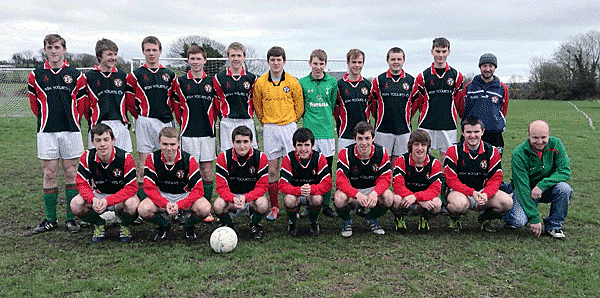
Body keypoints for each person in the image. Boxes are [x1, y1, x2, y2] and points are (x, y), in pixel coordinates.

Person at [28, 34, 87, 234]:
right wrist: (48, 119)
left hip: (71, 130)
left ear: (64, 49)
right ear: (45, 49)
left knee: (71, 172)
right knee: (49, 173)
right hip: (46, 131)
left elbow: (82, 103)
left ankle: (71, 218)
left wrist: (72, 120)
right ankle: (50, 219)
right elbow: (35, 106)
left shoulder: (75, 74)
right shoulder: (35, 75)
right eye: (50, 47)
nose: (54, 51)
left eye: (57, 47)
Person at [253, 46, 304, 222]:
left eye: (279, 59)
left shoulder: (292, 82)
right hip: (270, 128)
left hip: (289, 127)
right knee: (272, 169)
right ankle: (274, 206)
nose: (276, 63)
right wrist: (267, 122)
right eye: (272, 60)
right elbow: (257, 107)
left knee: (293, 168)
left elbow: (299, 107)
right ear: (268, 61)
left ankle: (294, 204)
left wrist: (289, 121)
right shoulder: (260, 83)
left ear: (284, 61)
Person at [137, 127, 211, 241]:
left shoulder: (188, 159)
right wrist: (165, 203)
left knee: (205, 208)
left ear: (178, 143)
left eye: (172, 144)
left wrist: (180, 204)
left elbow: (198, 190)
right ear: (159, 143)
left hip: (183, 194)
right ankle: (164, 225)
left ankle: (188, 225)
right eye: (165, 144)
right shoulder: (152, 158)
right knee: (143, 209)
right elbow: (149, 188)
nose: (169, 148)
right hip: (163, 195)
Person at [125, 36, 176, 199]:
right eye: (148, 50)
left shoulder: (169, 75)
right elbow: (129, 102)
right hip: (145, 122)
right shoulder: (135, 75)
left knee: (168, 163)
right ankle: (143, 201)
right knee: (144, 165)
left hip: (165, 123)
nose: (151, 53)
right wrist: (140, 117)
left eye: (154, 50)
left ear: (160, 51)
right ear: (143, 52)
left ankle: (168, 199)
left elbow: (174, 101)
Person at [503, 120, 572, 239]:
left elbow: (565, 171)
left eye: (544, 137)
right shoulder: (519, 154)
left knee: (564, 188)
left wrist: (541, 185)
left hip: (545, 189)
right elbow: (523, 188)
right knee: (518, 222)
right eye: (535, 137)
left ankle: (554, 226)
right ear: (528, 135)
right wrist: (534, 218)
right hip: (526, 190)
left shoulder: (556, 144)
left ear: (549, 134)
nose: (540, 142)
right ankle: (507, 203)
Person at [171, 44, 217, 222]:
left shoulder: (212, 82)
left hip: (207, 133)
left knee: (206, 171)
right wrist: (182, 123)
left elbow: (218, 106)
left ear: (205, 60)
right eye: (192, 58)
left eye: (199, 58)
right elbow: (176, 107)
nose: (196, 62)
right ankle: (186, 207)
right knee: (189, 171)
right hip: (188, 133)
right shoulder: (180, 82)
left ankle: (206, 208)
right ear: (188, 60)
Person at [70, 124, 139, 242]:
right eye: (98, 140)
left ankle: (124, 225)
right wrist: (93, 199)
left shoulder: (125, 157)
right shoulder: (87, 157)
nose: (102, 144)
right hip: (99, 194)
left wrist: (109, 201)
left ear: (113, 140)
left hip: (121, 198)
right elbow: (82, 183)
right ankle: (100, 223)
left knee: (132, 204)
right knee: (76, 204)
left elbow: (131, 188)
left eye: (106, 140)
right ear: (92, 142)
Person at [444, 117, 512, 232]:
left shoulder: (492, 151)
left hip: (482, 193)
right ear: (462, 133)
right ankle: (455, 219)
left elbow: (496, 178)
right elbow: (451, 181)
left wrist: (486, 194)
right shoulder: (453, 150)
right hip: (460, 193)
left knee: (507, 202)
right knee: (458, 205)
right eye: (468, 132)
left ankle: (485, 218)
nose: (472, 135)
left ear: (482, 132)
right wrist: (471, 193)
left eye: (476, 132)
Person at [334, 121, 393, 237]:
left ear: (373, 138)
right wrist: (357, 194)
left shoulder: (381, 152)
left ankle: (371, 218)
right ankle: (346, 220)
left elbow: (385, 178)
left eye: (367, 138)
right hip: (353, 191)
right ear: (354, 139)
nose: (364, 143)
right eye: (360, 138)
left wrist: (375, 193)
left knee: (389, 197)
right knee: (339, 198)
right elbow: (341, 181)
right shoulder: (345, 153)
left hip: (372, 190)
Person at [410, 37, 464, 164]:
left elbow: (458, 101)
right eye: (438, 51)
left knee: (446, 158)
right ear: (432, 51)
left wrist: (462, 120)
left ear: (449, 52)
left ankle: (442, 183)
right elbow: (420, 102)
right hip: (427, 123)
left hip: (448, 123)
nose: (440, 55)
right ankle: (425, 183)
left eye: (443, 51)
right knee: (422, 156)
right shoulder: (423, 76)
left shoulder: (456, 76)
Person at [298, 49, 338, 218]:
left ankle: (326, 204)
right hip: (310, 133)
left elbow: (333, 103)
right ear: (309, 63)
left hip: (327, 132)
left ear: (325, 65)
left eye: (321, 64)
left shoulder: (333, 83)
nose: (318, 67)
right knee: (310, 170)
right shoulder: (302, 82)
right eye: (315, 63)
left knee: (327, 170)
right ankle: (309, 204)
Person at [213, 126, 269, 239]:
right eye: (238, 142)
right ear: (232, 142)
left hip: (251, 199)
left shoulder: (260, 157)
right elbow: (221, 187)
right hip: (232, 199)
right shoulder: (223, 157)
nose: (242, 146)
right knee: (218, 205)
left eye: (245, 142)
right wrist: (232, 198)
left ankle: (255, 224)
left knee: (263, 203)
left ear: (251, 142)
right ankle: (228, 225)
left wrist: (246, 197)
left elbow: (262, 187)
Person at [279, 128, 332, 236]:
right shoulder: (288, 158)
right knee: (289, 199)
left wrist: (312, 189)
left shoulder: (319, 158)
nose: (303, 149)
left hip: (311, 194)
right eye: (299, 145)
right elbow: (282, 185)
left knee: (317, 198)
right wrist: (299, 190)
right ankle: (292, 222)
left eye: (307, 145)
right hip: (295, 194)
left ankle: (313, 221)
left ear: (312, 145)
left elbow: (327, 183)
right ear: (294, 146)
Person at [84, 38, 132, 153]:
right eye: (109, 54)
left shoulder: (122, 76)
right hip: (98, 125)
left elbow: (129, 102)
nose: (113, 58)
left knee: (123, 160)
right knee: (97, 163)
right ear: (99, 56)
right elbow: (85, 106)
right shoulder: (89, 77)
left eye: (115, 54)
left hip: (119, 125)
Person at [371, 47, 415, 166]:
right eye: (393, 59)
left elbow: (415, 105)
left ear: (403, 60)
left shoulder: (411, 81)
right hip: (382, 129)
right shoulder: (379, 80)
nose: (396, 62)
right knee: (382, 163)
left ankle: (397, 185)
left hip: (404, 130)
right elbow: (373, 104)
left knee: (400, 164)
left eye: (399, 59)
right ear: (387, 60)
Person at [391, 130, 442, 232]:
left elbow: (435, 190)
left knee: (437, 203)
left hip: (423, 200)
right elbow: (398, 187)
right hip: (405, 200)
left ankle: (424, 219)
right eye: (416, 145)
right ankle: (399, 218)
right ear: (411, 146)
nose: (420, 148)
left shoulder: (434, 163)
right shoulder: (401, 160)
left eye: (423, 145)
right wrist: (416, 199)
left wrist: (416, 197)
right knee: (395, 199)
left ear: (428, 147)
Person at [459, 53, 509, 155]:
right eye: (484, 66)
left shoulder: (502, 88)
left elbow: (503, 109)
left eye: (490, 66)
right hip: (472, 133)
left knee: (493, 165)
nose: (487, 69)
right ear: (480, 67)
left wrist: (495, 121)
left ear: (495, 67)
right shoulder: (469, 87)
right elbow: (462, 108)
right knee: (468, 164)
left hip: (493, 133)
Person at [213, 42, 258, 152]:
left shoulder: (252, 78)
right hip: (228, 122)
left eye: (239, 55)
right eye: (233, 55)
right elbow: (217, 102)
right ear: (228, 57)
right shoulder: (219, 78)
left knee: (250, 156)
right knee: (227, 156)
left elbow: (255, 102)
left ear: (244, 57)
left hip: (247, 121)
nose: (236, 59)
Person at [334, 49, 372, 153]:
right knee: (344, 165)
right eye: (354, 62)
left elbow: (373, 108)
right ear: (348, 63)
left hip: (364, 135)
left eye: (360, 62)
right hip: (345, 134)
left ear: (363, 63)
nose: (357, 65)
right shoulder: (339, 85)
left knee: (364, 166)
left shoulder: (368, 85)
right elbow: (335, 110)